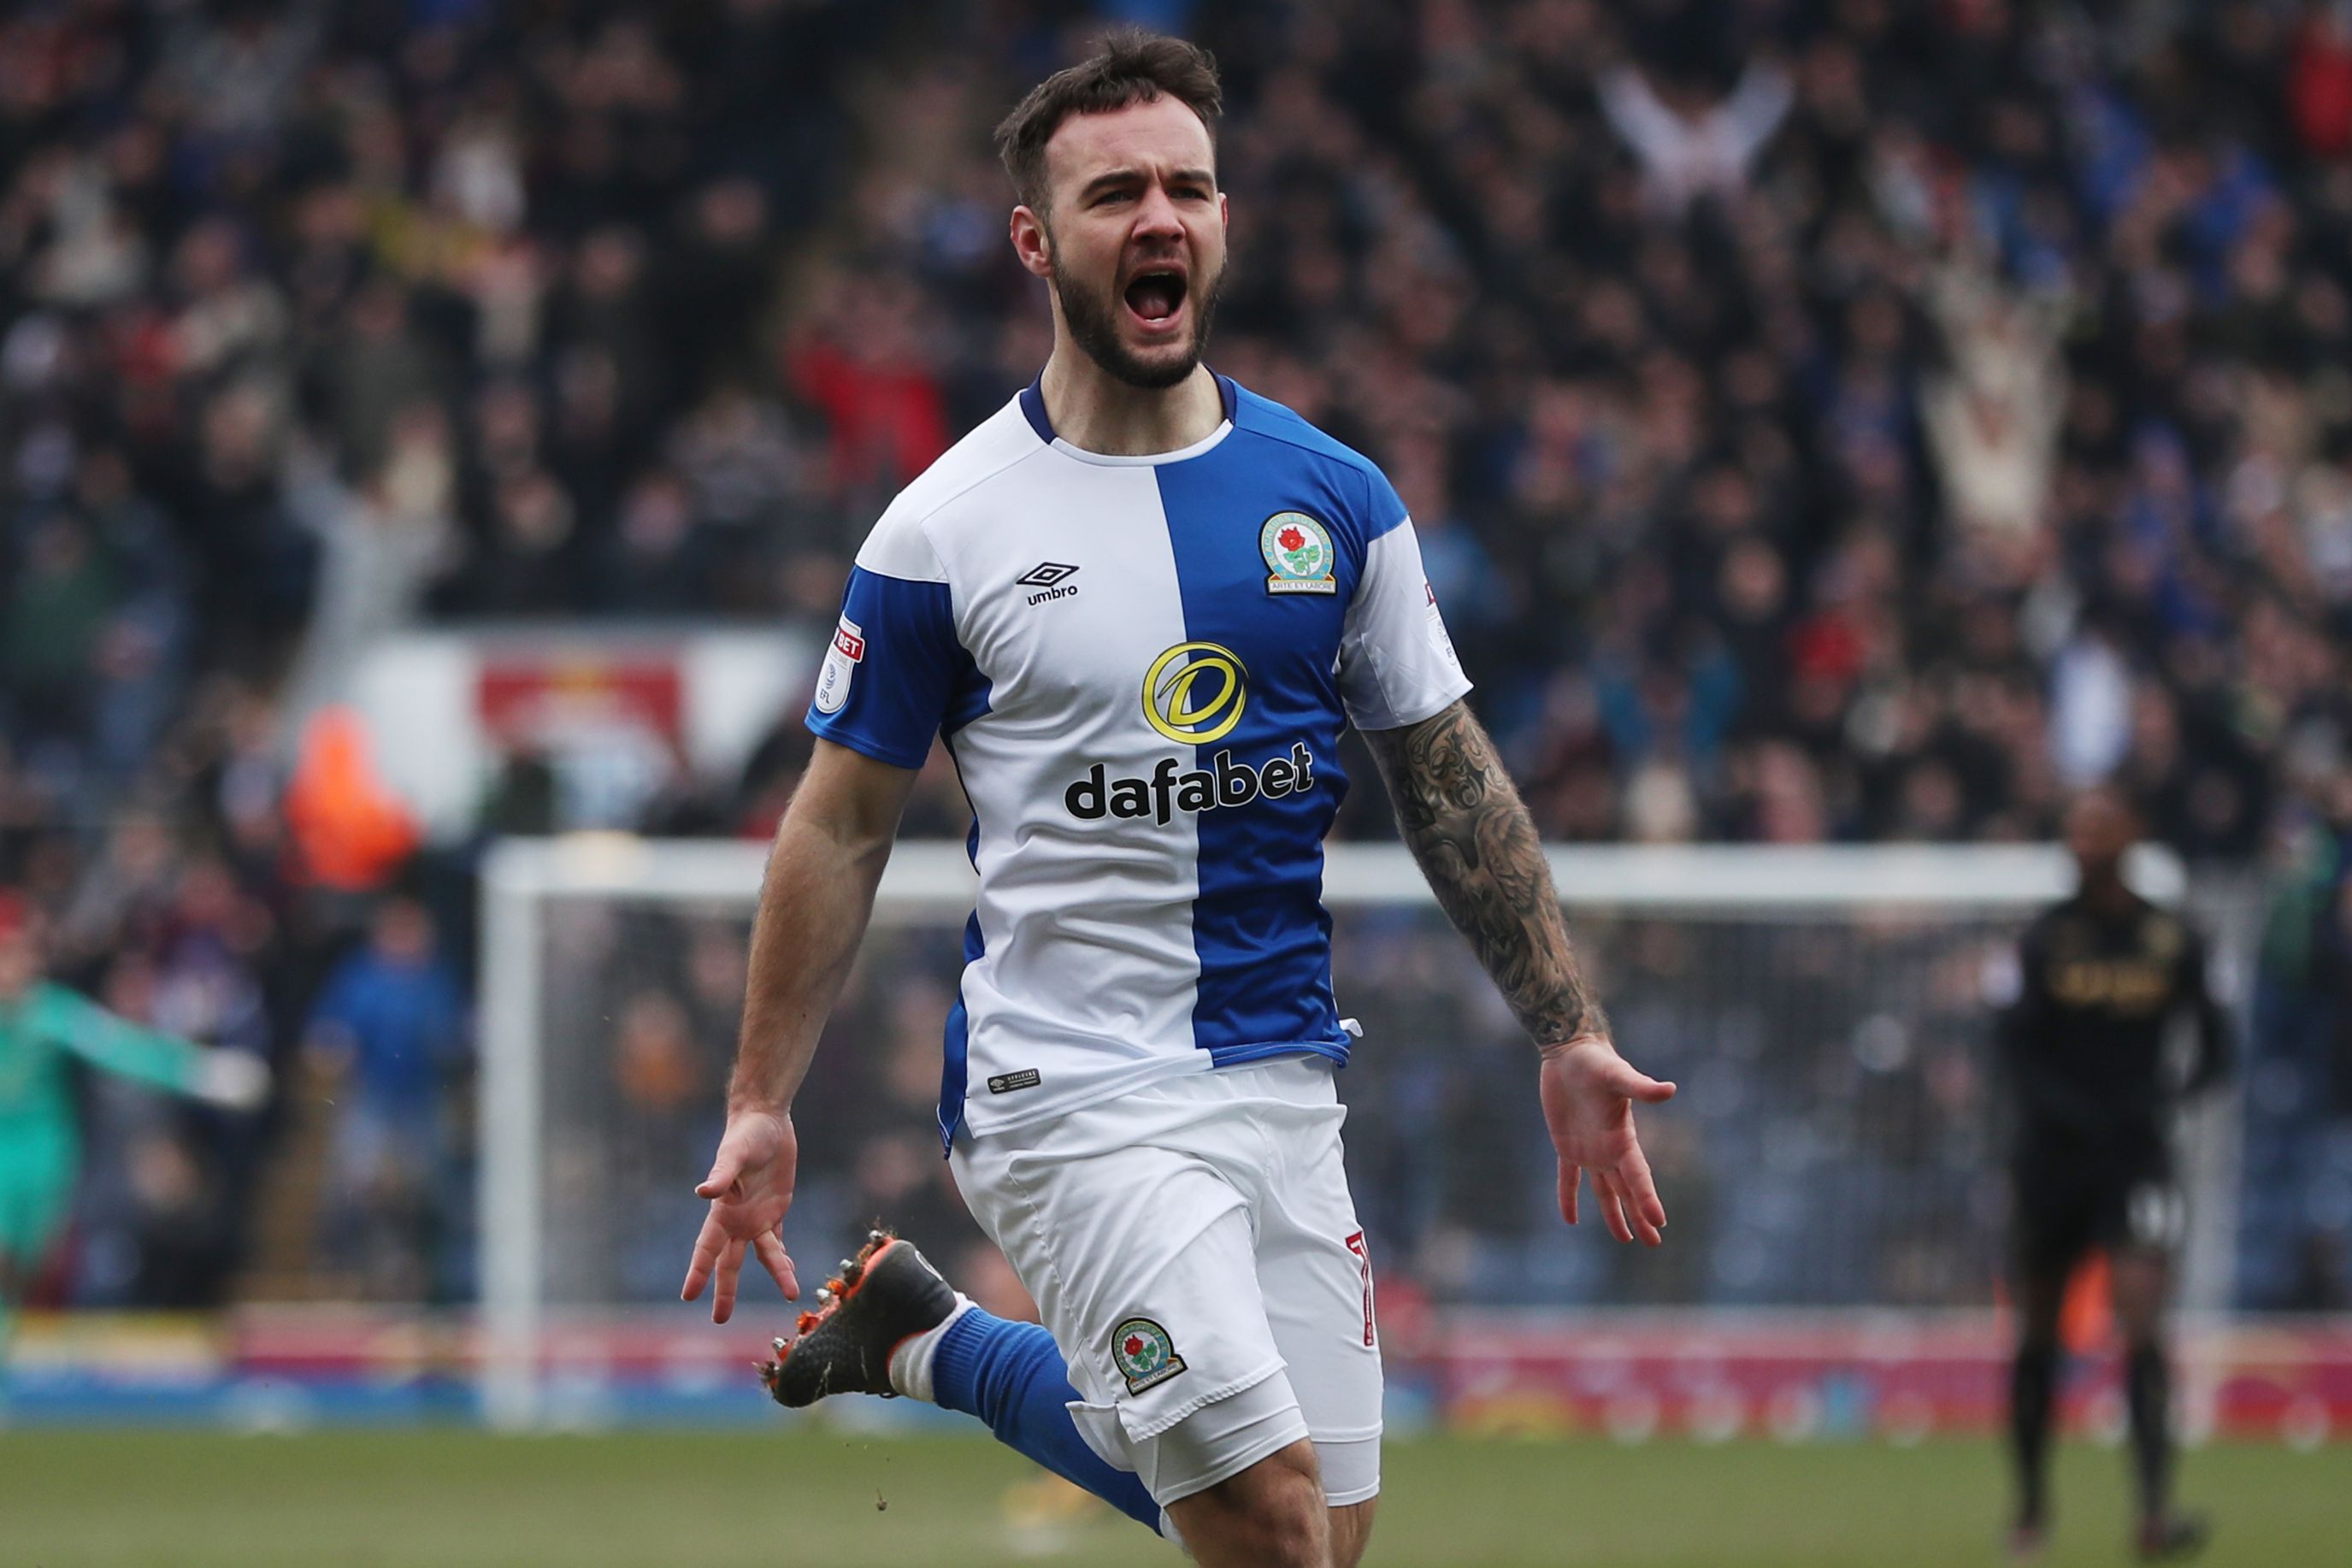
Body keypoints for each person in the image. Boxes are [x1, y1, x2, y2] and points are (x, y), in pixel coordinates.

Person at [679, 32, 1674, 1568]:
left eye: (1189, 187)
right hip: (1067, 1093)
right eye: (1115, 192)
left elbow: (1448, 771)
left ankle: (929, 1338)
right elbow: (838, 820)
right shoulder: (943, 528)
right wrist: (760, 1097)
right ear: (1035, 239)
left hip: (1279, 1071)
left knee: (1322, 1540)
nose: (1161, 216)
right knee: (1270, 1528)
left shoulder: (1335, 499)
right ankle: (939, 1335)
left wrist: (1566, 1024)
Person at [1999, 787, 2233, 1563]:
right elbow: (2012, 1050)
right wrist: (2071, 1112)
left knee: (2142, 1327)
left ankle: (2152, 1514)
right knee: (2038, 1332)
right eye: (2075, 826)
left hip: (2136, 1159)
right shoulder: (2043, 939)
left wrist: (2161, 1101)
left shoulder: (2173, 939)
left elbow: (2216, 1048)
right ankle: (2030, 1510)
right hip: (2053, 1160)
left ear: (2133, 832)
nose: (2083, 838)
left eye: (2099, 824)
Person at [0, 892, 268, 1365]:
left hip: (45, 1157)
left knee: (26, 1269)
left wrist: (203, 1073)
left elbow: (123, 1049)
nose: (18, 967)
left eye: (23, 953)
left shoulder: (49, 1011)